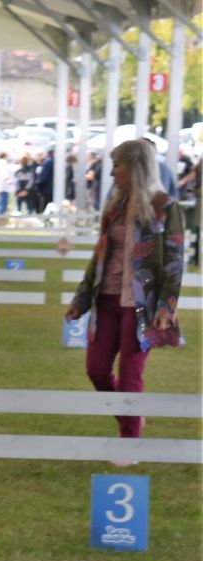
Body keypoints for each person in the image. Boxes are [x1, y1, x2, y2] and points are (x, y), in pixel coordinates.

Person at [65, 139, 184, 456]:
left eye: (117, 164)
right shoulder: (113, 206)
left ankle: (129, 445)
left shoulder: (166, 207)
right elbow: (100, 255)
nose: (113, 171)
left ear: (135, 166)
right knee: (96, 370)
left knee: (132, 376)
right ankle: (132, 418)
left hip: (142, 308)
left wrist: (166, 307)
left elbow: (174, 262)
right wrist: (80, 300)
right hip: (105, 301)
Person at [0, 150, 15, 218]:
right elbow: (4, 173)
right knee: (2, 204)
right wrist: (8, 180)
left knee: (0, 203)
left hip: (0, 186)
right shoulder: (3, 162)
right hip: (3, 187)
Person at [35, 148, 55, 213]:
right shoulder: (59, 161)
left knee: (46, 208)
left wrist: (38, 185)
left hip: (47, 189)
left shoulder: (47, 162)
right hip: (56, 189)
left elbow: (43, 177)